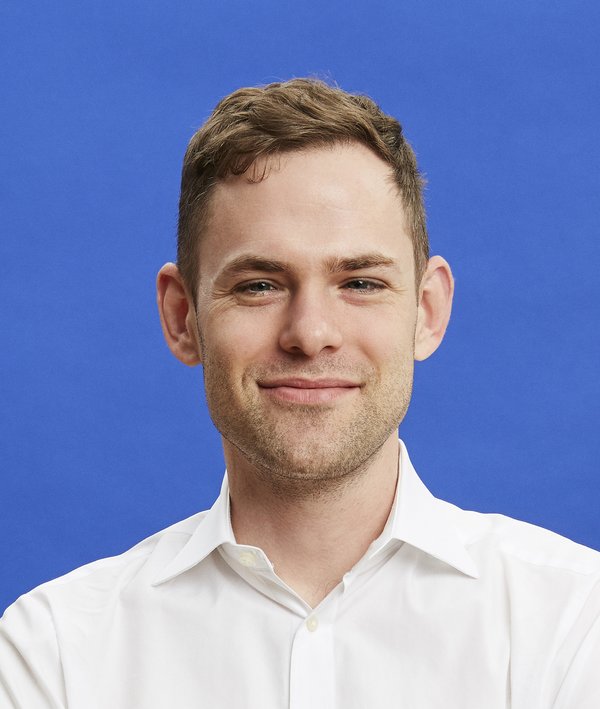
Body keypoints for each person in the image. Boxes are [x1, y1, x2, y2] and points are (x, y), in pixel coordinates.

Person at [1, 78, 599, 709]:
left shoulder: (573, 624)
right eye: (259, 285)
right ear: (183, 318)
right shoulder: (55, 654)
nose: (310, 334)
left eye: (361, 283)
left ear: (427, 311)